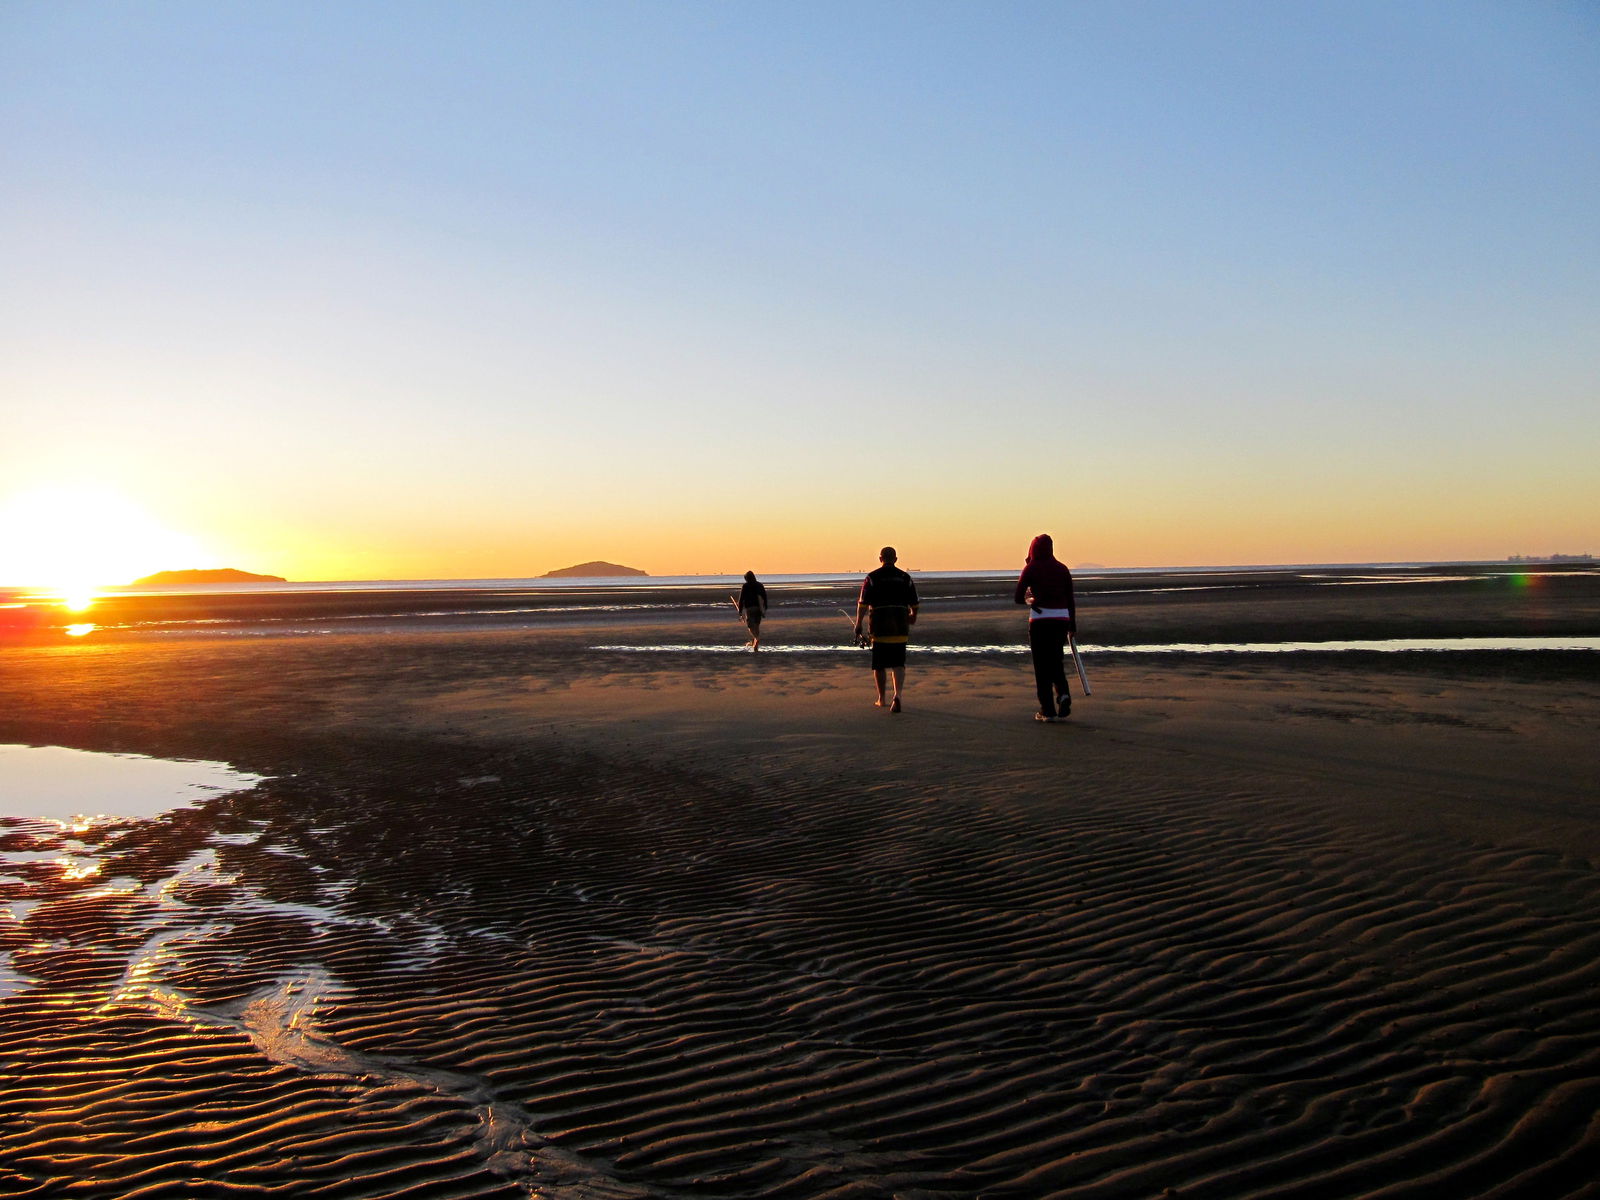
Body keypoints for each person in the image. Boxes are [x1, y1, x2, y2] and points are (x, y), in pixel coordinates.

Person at [1013, 533, 1078, 722]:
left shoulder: (1031, 568)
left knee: (1041, 665)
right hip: (1062, 619)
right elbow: (1070, 599)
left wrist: (1031, 599)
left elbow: (1018, 598)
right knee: (1056, 660)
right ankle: (1063, 694)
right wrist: (1072, 625)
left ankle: (1047, 710)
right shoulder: (1062, 569)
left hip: (1040, 620)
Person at [853, 546, 919, 712]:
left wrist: (858, 623)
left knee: (879, 664)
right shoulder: (905, 577)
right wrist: (912, 616)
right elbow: (915, 603)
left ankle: (881, 698)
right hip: (900, 624)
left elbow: (863, 604)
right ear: (895, 559)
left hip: (879, 625)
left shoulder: (872, 578)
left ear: (880, 558)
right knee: (898, 663)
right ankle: (897, 696)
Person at [736, 570, 768, 651]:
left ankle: (756, 638)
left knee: (750, 626)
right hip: (759, 608)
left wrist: (740, 611)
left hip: (750, 608)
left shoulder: (745, 586)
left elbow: (741, 599)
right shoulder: (760, 585)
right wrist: (765, 608)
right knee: (756, 625)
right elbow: (764, 597)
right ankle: (755, 644)